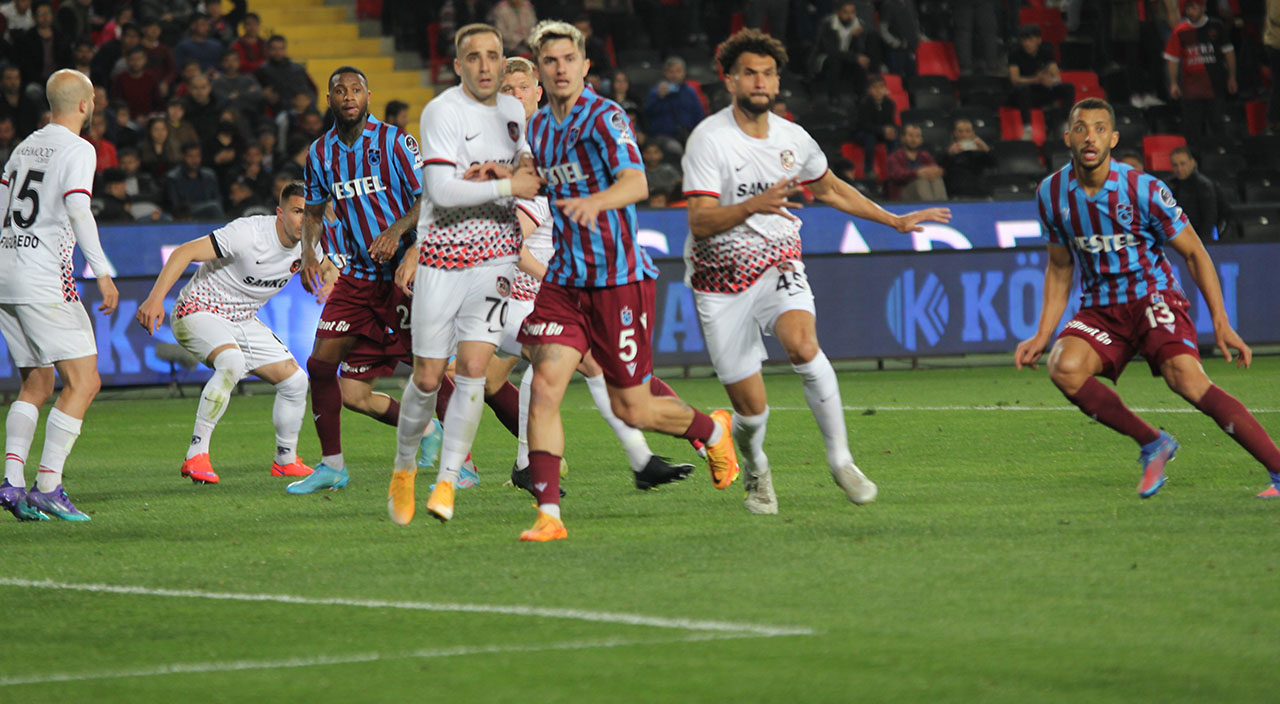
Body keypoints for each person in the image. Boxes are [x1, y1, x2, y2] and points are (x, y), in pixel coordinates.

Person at [682, 29, 950, 514]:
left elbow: (829, 188)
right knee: (752, 411)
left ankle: (841, 460)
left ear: (777, 80)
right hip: (719, 280)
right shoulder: (709, 141)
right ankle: (757, 468)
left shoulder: (793, 138)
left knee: (804, 346)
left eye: (767, 73)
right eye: (749, 73)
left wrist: (892, 220)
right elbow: (700, 221)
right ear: (730, 81)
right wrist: (751, 206)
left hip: (778, 261)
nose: (759, 81)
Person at [514, 20, 742, 542]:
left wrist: (597, 200)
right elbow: (541, 179)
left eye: (569, 59)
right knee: (546, 387)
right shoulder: (541, 129)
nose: (560, 68)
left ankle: (711, 430)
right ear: (541, 70)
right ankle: (549, 516)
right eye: (550, 62)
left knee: (631, 406)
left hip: (617, 280)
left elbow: (637, 181)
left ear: (585, 65)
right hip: (565, 281)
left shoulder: (605, 115)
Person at [1015, 98, 1280, 500]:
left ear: (1113, 139)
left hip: (1152, 297)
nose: (1091, 137)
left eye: (1100, 128)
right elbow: (1059, 267)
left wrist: (1221, 322)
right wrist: (1041, 334)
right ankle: (1153, 442)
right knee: (1063, 366)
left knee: (1186, 379)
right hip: (1101, 308)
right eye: (1082, 128)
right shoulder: (1051, 193)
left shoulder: (1144, 190)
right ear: (1067, 137)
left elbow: (1195, 253)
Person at [496, 56, 700, 495]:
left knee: (530, 369)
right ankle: (647, 456)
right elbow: (512, 238)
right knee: (586, 360)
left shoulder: (552, 137)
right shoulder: (516, 149)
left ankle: (524, 464)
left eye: (520, 88)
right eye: (505, 90)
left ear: (537, 91)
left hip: (545, 286)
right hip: (507, 287)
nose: (513, 97)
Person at [385, 24, 538, 526]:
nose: (486, 65)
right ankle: (405, 468)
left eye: (493, 55)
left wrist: (510, 178)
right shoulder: (442, 112)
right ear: (457, 65)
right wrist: (503, 183)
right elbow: (444, 192)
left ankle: (447, 480)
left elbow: (529, 179)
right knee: (428, 378)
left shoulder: (515, 114)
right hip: (441, 259)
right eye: (474, 57)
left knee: (474, 370)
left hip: (495, 262)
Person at [135, 183, 327, 485]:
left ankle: (285, 459)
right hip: (197, 309)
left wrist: (330, 282)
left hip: (242, 320)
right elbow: (184, 252)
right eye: (297, 211)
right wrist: (155, 298)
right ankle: (196, 455)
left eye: (310, 212)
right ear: (280, 213)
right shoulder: (248, 233)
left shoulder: (312, 246)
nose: (304, 219)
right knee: (232, 363)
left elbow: (330, 270)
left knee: (295, 381)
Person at [294, 65, 424, 494]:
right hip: (357, 276)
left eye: (356, 89)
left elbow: (430, 201)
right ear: (329, 100)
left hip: (404, 274)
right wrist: (309, 252)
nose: (348, 96)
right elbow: (313, 211)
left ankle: (463, 462)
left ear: (368, 95)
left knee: (429, 368)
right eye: (340, 91)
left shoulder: (395, 141)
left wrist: (398, 233)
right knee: (321, 367)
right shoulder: (319, 153)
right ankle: (332, 465)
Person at [0, 69, 118, 522]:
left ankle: (11, 482)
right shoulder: (79, 148)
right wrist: (103, 272)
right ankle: (48, 485)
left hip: (8, 275)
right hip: (44, 278)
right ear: (86, 105)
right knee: (85, 381)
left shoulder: (23, 146)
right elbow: (78, 208)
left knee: (38, 383)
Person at [1164, 0, 1236, 142]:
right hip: (1190, 91)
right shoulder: (1180, 30)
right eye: (1188, 8)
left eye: (1194, 8)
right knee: (1192, 130)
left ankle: (1219, 156)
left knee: (1217, 125)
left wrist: (1232, 77)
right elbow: (1172, 59)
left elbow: (1229, 52)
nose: (1190, 12)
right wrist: (1173, 83)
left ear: (1203, 7)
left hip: (1215, 87)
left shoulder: (1216, 26)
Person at [1009, 24, 1075, 132]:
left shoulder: (1046, 52)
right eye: (1024, 40)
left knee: (1068, 88)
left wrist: (1050, 80)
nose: (1026, 44)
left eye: (1030, 40)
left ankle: (1065, 123)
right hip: (1025, 93)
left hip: (1042, 90)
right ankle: (1027, 127)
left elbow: (1056, 76)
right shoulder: (1015, 54)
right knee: (1022, 90)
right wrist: (1035, 79)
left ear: (1038, 40)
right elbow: (1014, 79)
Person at [809, 1, 872, 102]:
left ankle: (861, 97)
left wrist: (857, 38)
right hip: (825, 58)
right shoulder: (827, 25)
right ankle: (833, 98)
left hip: (847, 58)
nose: (849, 16)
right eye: (845, 12)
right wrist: (855, 57)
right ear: (838, 13)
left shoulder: (858, 25)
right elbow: (831, 50)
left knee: (861, 64)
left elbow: (860, 50)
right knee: (835, 62)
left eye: (852, 12)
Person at [1168, 145, 1225, 241]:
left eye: (1183, 164)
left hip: (1199, 239)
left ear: (1193, 163)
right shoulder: (1170, 185)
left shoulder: (1204, 185)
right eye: (1175, 165)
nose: (1179, 169)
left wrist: (1201, 241)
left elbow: (1209, 218)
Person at [642, 56, 706, 140]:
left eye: (678, 71)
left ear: (684, 73)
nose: (674, 75)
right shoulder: (655, 92)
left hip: (688, 134)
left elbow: (699, 116)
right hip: (663, 137)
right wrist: (659, 97)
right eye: (671, 71)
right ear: (665, 73)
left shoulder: (690, 92)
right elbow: (646, 114)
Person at [885, 123, 946, 201]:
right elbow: (897, 175)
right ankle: (928, 207)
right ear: (902, 138)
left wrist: (936, 172)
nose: (914, 139)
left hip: (926, 189)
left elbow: (935, 169)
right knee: (921, 182)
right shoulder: (894, 157)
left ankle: (943, 207)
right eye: (910, 135)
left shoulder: (925, 156)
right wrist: (917, 173)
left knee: (937, 180)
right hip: (902, 193)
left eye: (917, 136)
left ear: (921, 140)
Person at [853, 74, 897, 178]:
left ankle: (893, 168)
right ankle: (869, 170)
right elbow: (864, 125)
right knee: (870, 138)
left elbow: (891, 122)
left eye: (881, 87)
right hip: (863, 133)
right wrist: (883, 130)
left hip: (880, 132)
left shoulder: (889, 104)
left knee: (893, 138)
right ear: (869, 90)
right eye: (875, 87)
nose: (878, 90)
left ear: (885, 88)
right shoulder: (864, 103)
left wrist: (891, 130)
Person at [941, 117, 995, 198]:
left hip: (979, 189)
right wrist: (949, 154)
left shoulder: (980, 150)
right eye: (960, 131)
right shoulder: (948, 150)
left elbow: (993, 164)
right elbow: (941, 168)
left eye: (967, 131)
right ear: (955, 133)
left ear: (972, 133)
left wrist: (986, 149)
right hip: (957, 189)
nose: (964, 134)